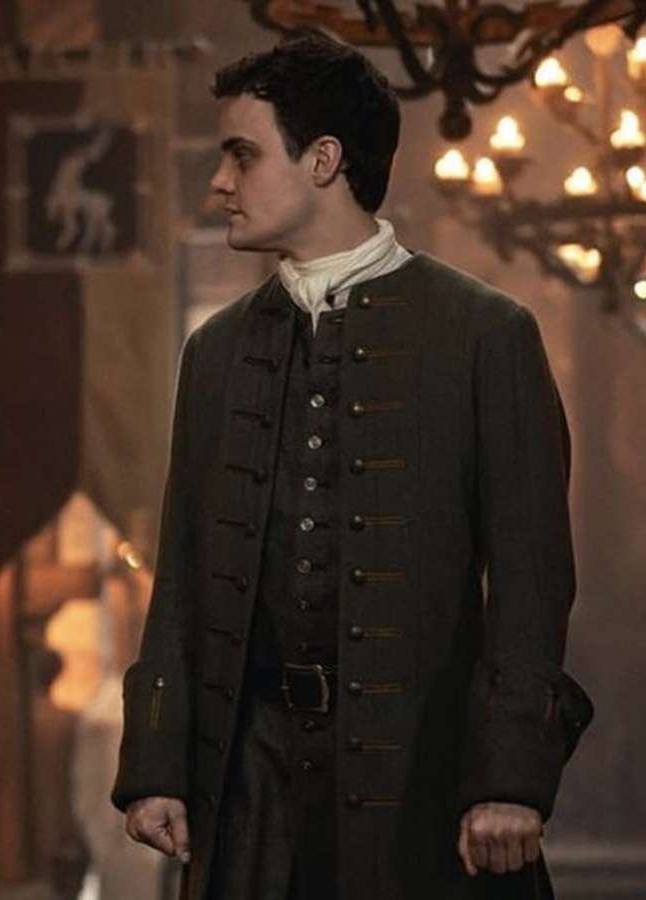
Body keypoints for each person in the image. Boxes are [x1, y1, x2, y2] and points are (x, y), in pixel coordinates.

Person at [111, 32, 593, 900]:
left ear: (324, 160)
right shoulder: (216, 351)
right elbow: (182, 574)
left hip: (422, 778)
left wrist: (510, 781)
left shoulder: (485, 334)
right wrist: (155, 765)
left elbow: (531, 581)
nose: (218, 182)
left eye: (242, 155)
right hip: (250, 787)